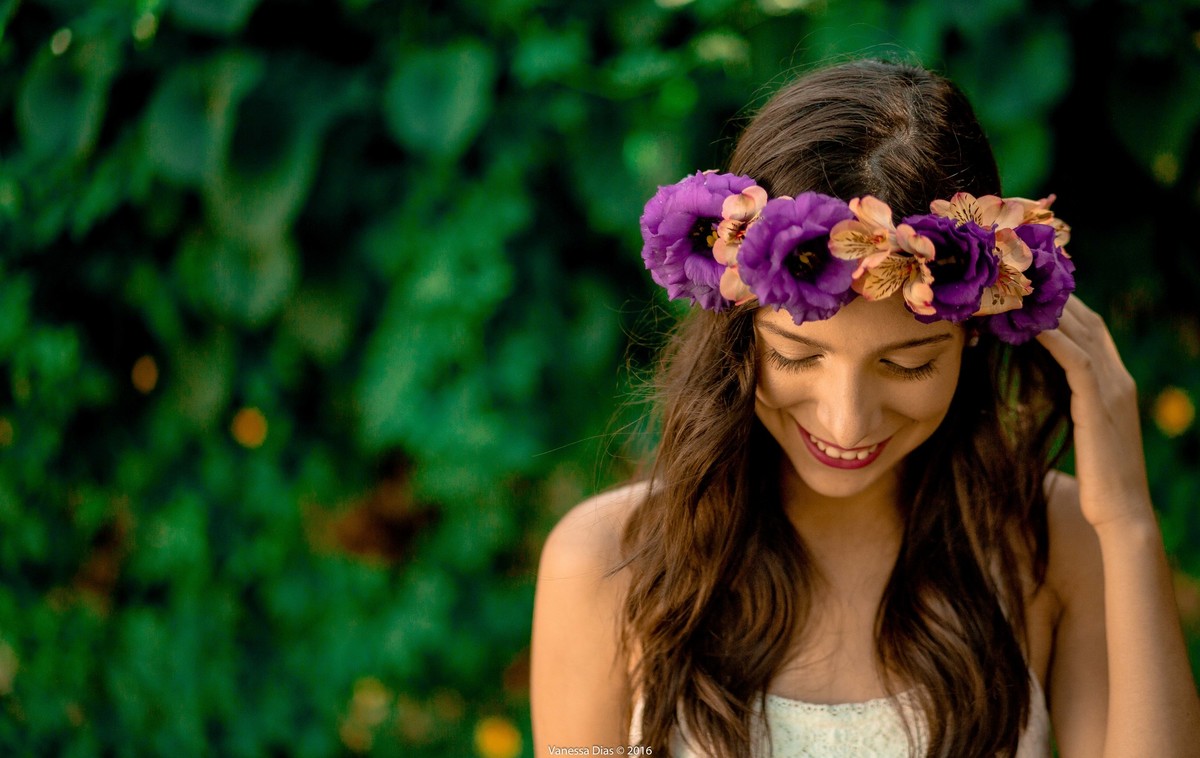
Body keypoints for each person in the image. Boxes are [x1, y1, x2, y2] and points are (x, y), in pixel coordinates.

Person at [529, 57, 1200, 757]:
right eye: (797, 355)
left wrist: (1126, 523)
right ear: (737, 328)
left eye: (908, 364)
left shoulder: (1050, 541)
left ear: (973, 332)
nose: (847, 423)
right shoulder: (609, 563)